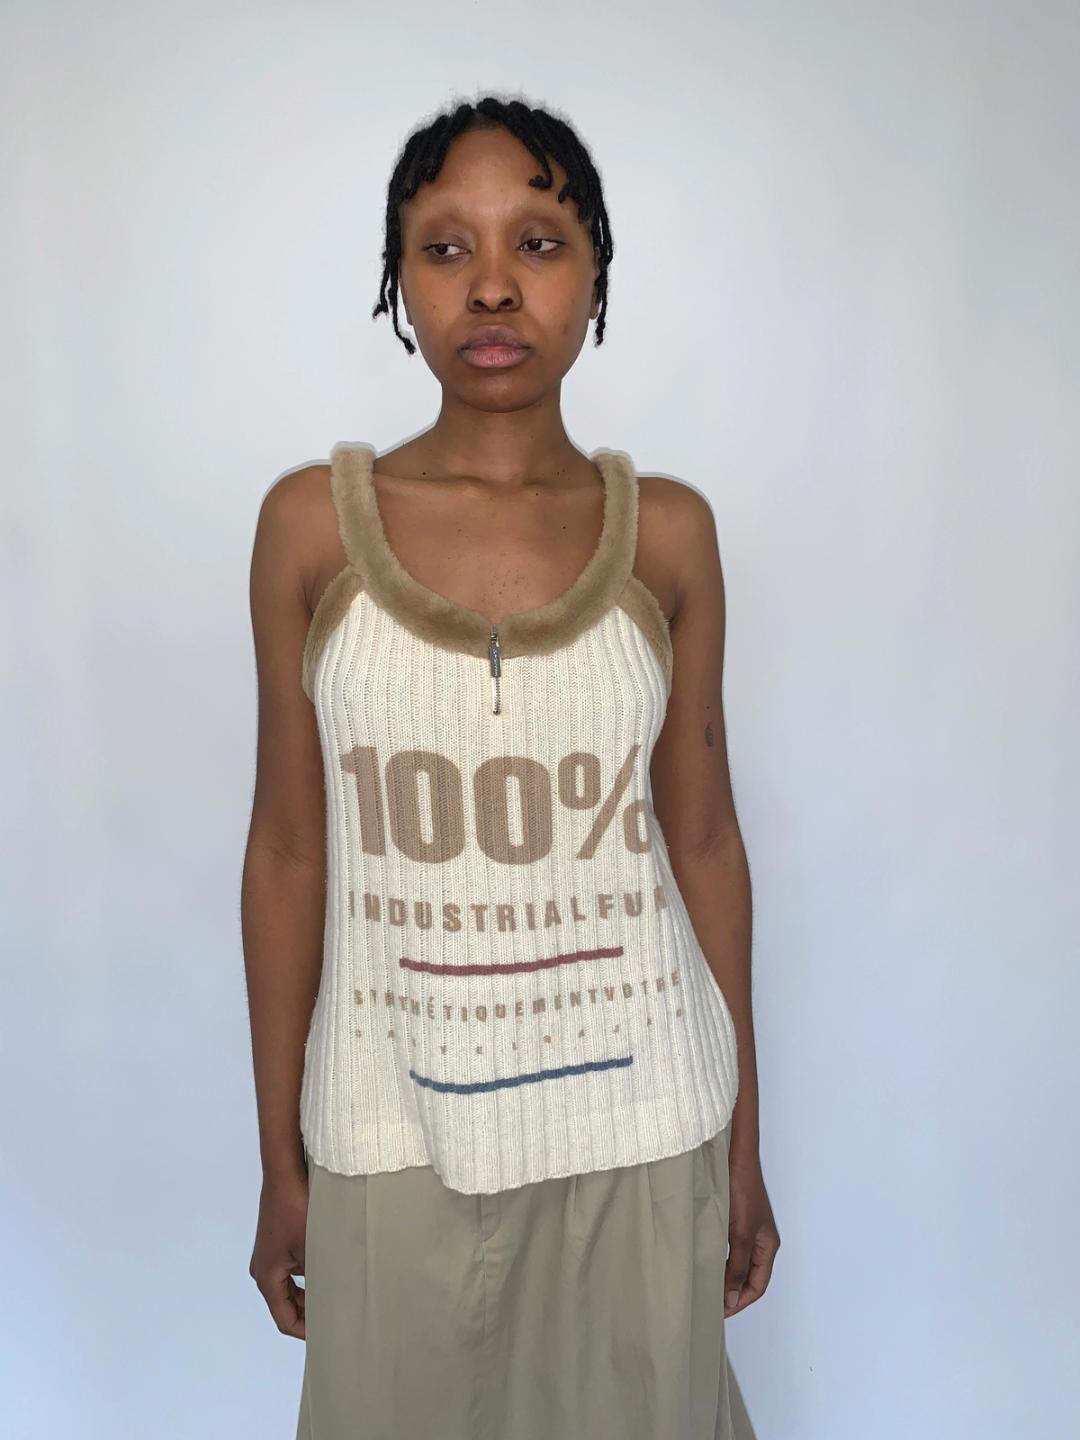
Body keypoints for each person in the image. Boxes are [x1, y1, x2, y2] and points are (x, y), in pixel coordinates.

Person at [242, 93, 780, 1440]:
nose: (492, 285)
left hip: (645, 1122)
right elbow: (290, 853)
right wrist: (277, 1157)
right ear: (397, 281)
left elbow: (704, 841)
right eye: (445, 247)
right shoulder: (311, 528)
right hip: (389, 1125)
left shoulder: (668, 534)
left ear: (597, 273)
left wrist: (745, 1140)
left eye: (539, 242)